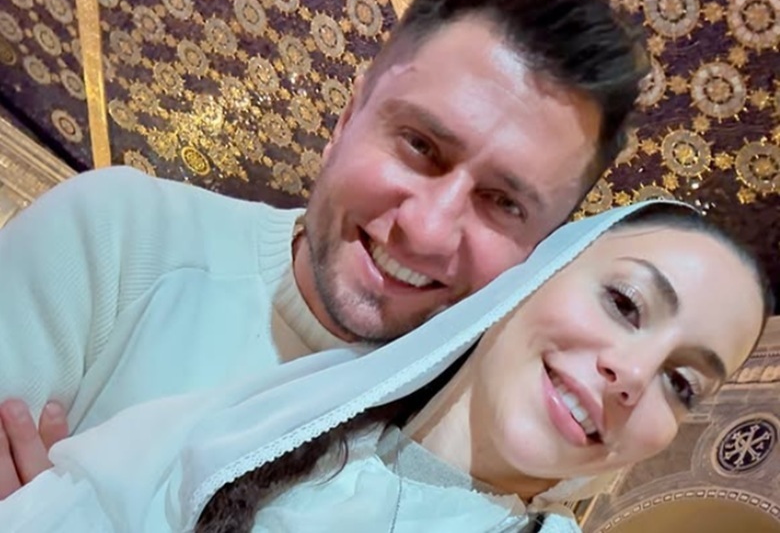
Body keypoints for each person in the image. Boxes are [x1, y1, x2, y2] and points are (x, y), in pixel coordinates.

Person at [0, 0, 648, 500]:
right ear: (347, 120)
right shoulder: (116, 240)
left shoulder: (482, 456)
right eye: (420, 145)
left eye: (503, 203)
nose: (426, 231)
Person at [0, 201, 773, 532]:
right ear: (532, 275)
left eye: (682, 384)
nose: (632, 374)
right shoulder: (255, 425)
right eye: (626, 304)